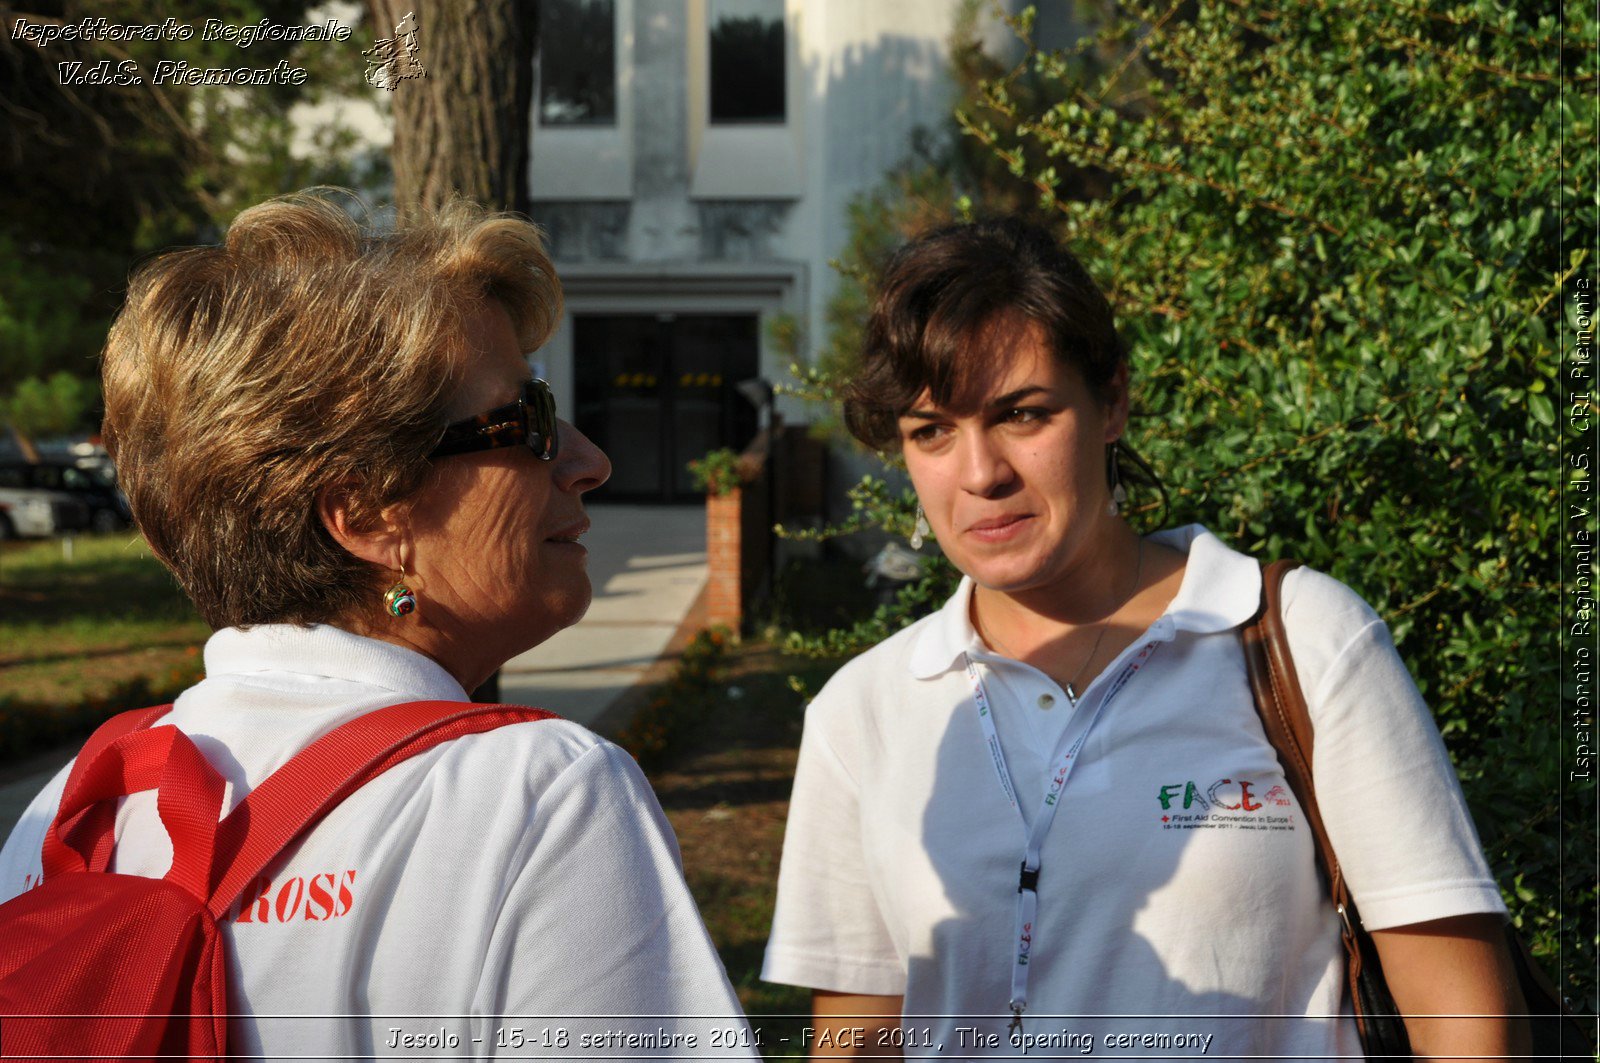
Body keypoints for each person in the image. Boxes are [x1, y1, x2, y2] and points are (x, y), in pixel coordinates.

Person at [0, 191, 757, 1058]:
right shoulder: (536, 792)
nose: (589, 460)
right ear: (366, 513)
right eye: (532, 420)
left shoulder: (72, 812)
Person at [761, 218, 1528, 1059]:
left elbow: (1468, 1024)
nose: (980, 473)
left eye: (1022, 413)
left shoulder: (1298, 638)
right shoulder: (862, 711)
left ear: (1112, 401)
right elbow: (856, 1038)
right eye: (931, 430)